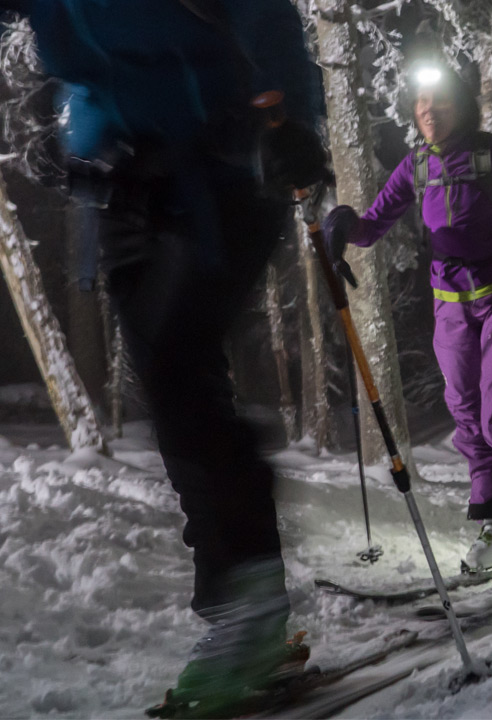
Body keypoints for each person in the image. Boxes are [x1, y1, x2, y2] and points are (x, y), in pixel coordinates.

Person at [5, 0, 328, 712]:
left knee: (179, 367)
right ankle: (248, 609)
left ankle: (246, 608)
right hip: (123, 189)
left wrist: (294, 120)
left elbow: (263, 16)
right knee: (172, 387)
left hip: (228, 167)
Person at [322, 65, 492, 576]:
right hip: (449, 303)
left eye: (439, 100)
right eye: (420, 100)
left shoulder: (486, 153)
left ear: (461, 106)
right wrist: (342, 222)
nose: (428, 109)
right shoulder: (416, 165)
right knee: (464, 411)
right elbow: (372, 228)